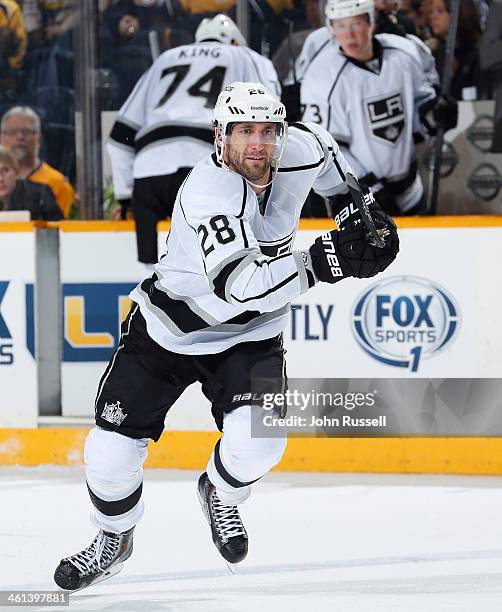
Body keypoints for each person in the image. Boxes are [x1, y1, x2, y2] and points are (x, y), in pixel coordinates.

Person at [54, 81, 399, 591]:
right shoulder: (206, 192)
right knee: (108, 455)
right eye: (243, 131)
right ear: (220, 136)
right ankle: (113, 538)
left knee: (260, 445)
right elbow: (241, 288)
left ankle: (219, 493)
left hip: (253, 336)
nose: (257, 144)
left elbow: (334, 173)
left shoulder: (301, 147)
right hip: (171, 329)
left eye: (267, 131)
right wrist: (328, 259)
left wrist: (355, 214)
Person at [107, 13, 280, 267]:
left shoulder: (166, 59)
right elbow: (271, 115)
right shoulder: (245, 56)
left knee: (152, 276)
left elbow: (119, 137)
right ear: (234, 42)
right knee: (218, 269)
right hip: (204, 165)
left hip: (148, 173)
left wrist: (125, 197)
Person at [300, 0, 456, 216]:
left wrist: (435, 116)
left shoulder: (403, 52)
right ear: (331, 28)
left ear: (371, 22)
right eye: (341, 25)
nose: (349, 35)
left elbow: (420, 111)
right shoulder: (321, 76)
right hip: (360, 200)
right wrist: (368, 189)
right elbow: (324, 147)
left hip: (411, 189)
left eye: (356, 23)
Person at [0, 106, 75, 217]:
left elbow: (64, 229)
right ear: (1, 138)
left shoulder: (57, 183)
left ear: (39, 139)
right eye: (13, 132)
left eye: (26, 132)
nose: (20, 137)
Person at [0, 144, 63, 219]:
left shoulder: (41, 196)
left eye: (5, 170)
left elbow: (57, 227)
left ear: (17, 172)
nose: (1, 179)